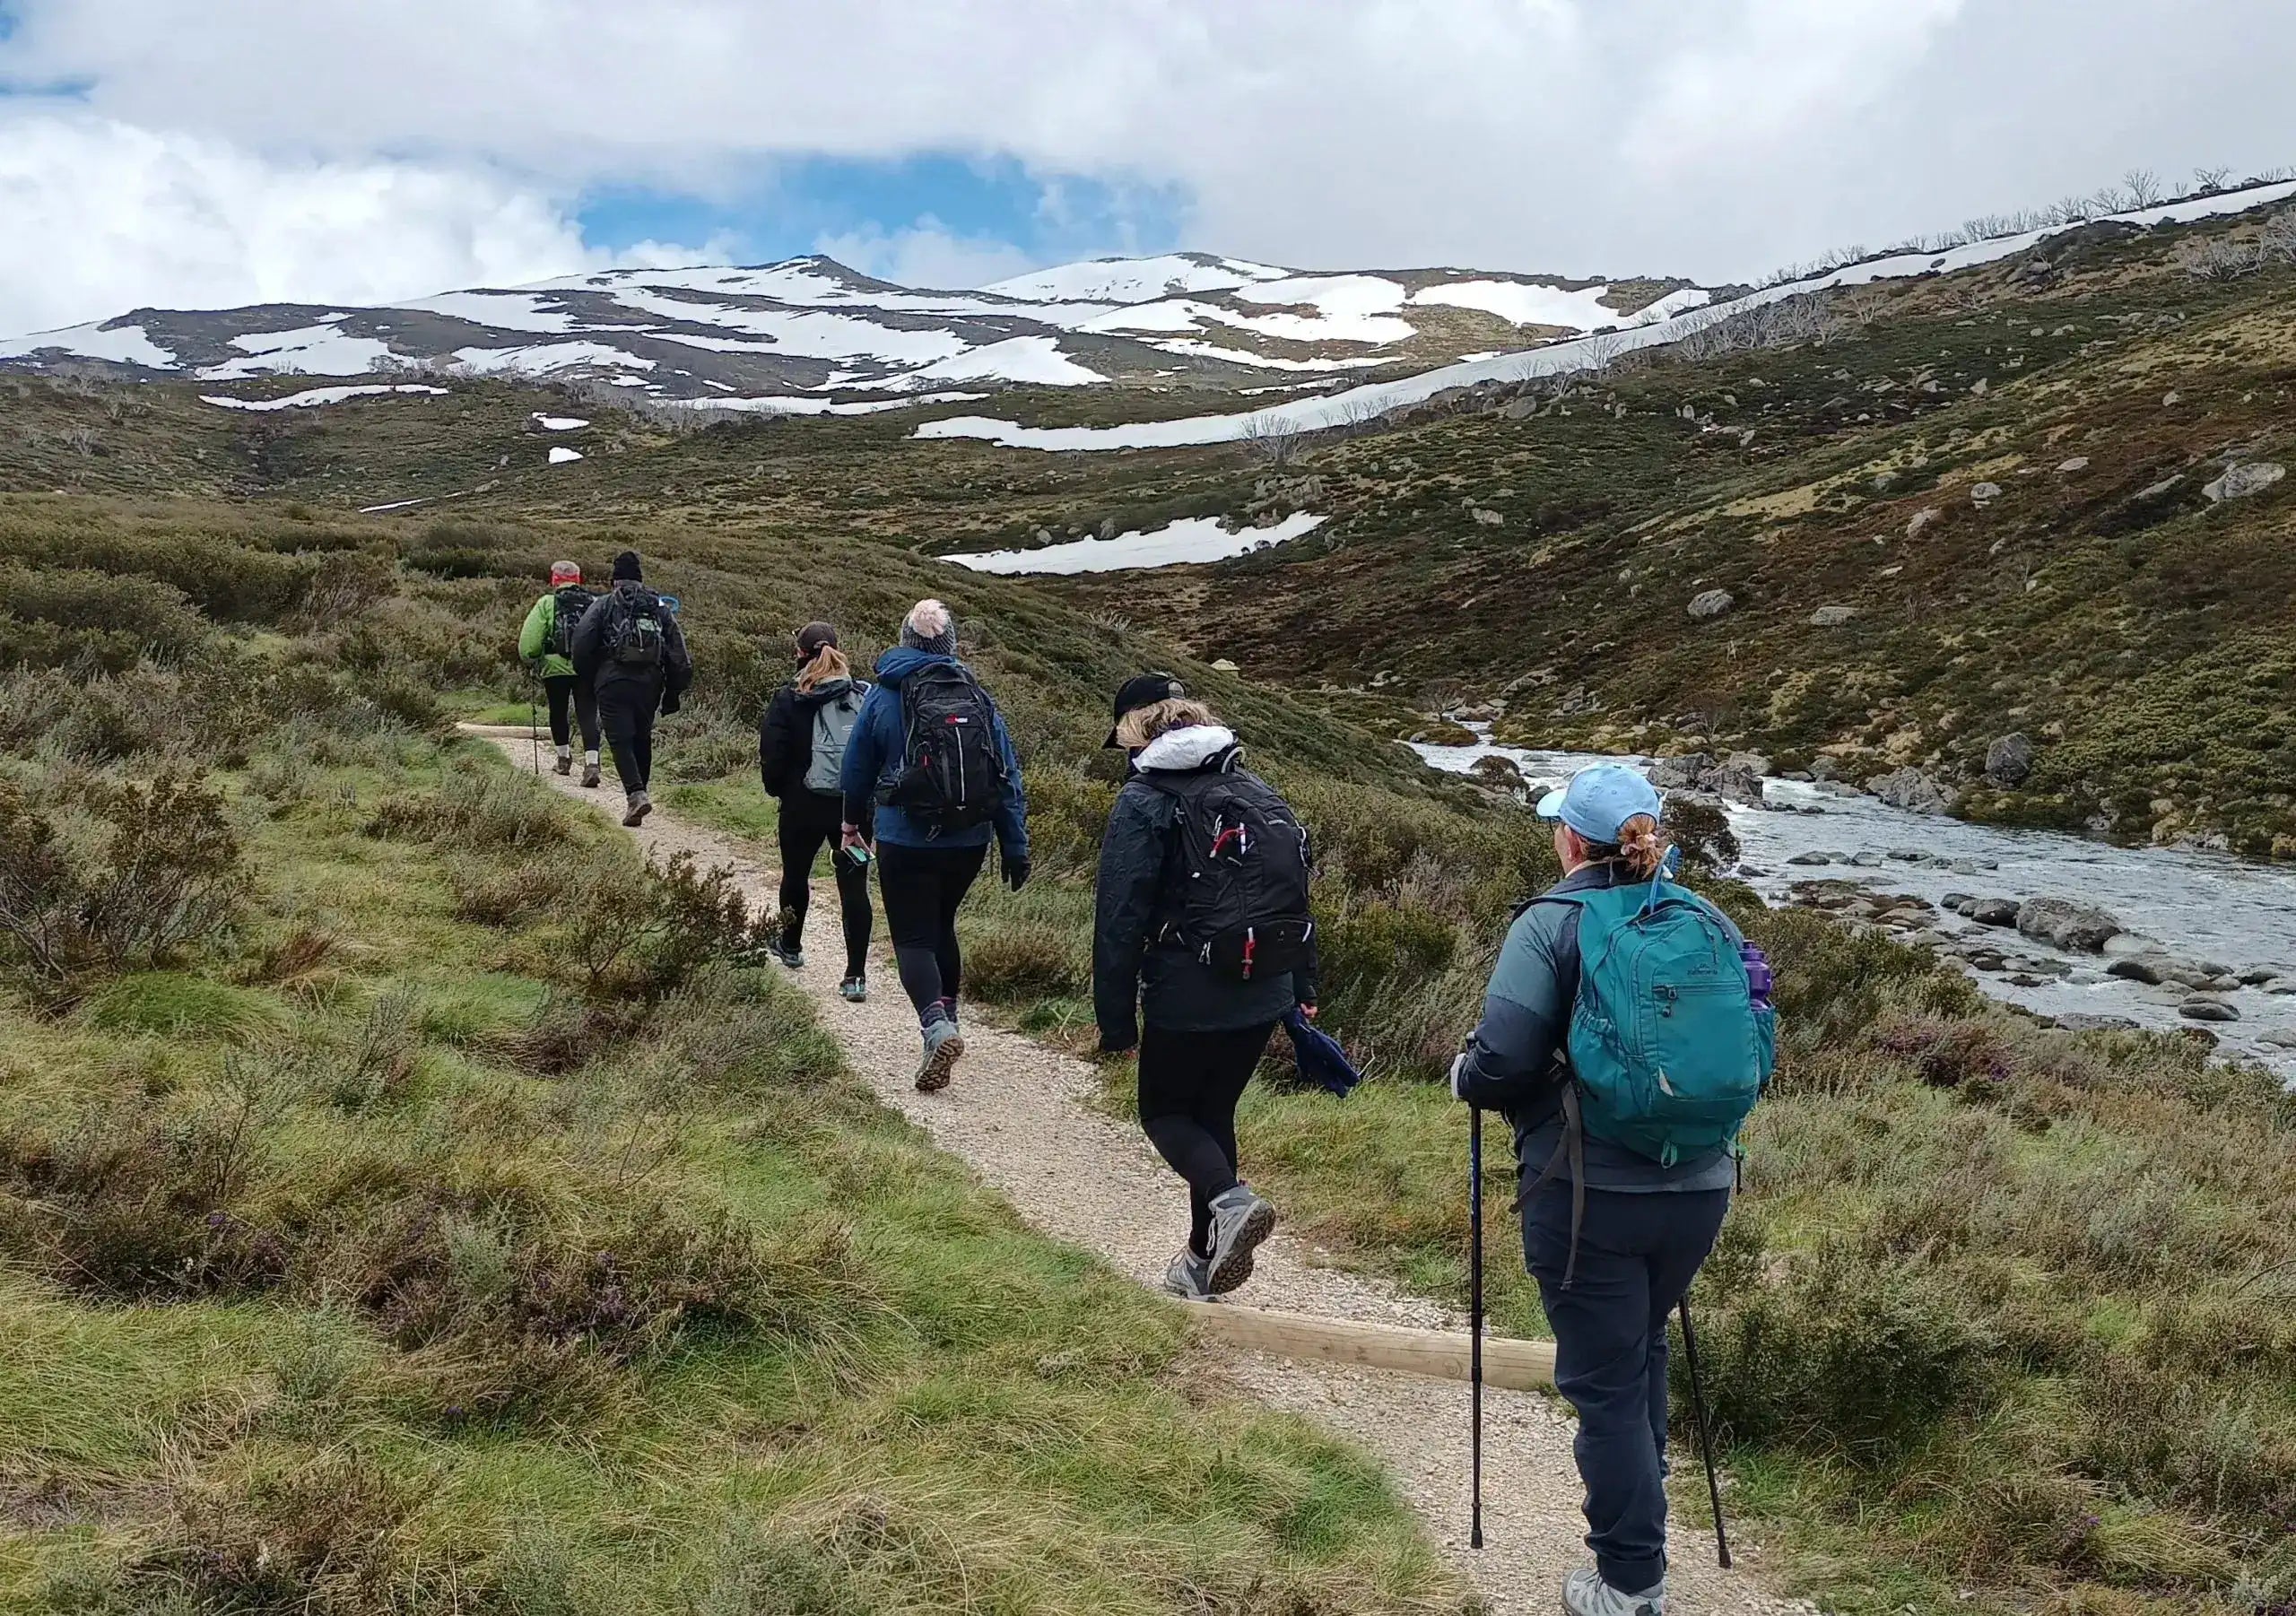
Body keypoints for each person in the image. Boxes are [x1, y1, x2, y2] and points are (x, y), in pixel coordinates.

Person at [1449, 763, 1764, 1616]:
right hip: (1700, 1184)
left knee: (1607, 1382)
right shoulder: (1708, 917)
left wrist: (1463, 1076)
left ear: (1571, 841)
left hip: (1587, 1191)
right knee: (1638, 1349)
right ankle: (1643, 1520)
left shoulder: (1551, 922)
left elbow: (1503, 1062)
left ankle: (1630, 1584)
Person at [1092, 682, 1318, 1301]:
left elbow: (1119, 915)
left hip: (1188, 987)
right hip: (1265, 984)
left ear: (1139, 734)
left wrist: (1115, 1021)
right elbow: (1292, 891)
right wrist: (1304, 983)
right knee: (1213, 1114)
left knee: (1165, 1113)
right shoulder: (1253, 788)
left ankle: (1230, 1200)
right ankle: (1201, 1259)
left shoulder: (1144, 799)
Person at [839, 599, 1028, 1091]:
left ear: (905, 641)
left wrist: (851, 824)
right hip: (968, 840)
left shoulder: (884, 695)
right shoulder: (977, 695)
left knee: (914, 937)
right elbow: (1007, 775)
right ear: (951, 645)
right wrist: (1014, 843)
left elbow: (856, 769)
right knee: (943, 925)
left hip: (905, 836)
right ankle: (953, 1021)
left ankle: (935, 1026)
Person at [758, 621, 873, 1001]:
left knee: (795, 875)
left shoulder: (789, 698)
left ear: (799, 654)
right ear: (839, 650)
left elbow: (772, 756)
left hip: (801, 805)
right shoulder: (864, 696)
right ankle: (855, 976)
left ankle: (790, 947)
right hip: (854, 808)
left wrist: (781, 792)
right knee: (854, 886)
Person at [570, 550, 691, 828]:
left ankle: (636, 795)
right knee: (641, 736)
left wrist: (590, 678)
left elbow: (581, 644)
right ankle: (641, 793)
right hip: (650, 683)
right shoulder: (659, 606)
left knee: (620, 740)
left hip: (612, 681)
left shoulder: (604, 604)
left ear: (616, 580)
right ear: (639, 579)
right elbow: (678, 653)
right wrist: (674, 690)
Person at [516, 560, 602, 786]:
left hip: (554, 667)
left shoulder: (546, 603)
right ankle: (592, 763)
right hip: (587, 667)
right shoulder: (594, 602)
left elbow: (530, 642)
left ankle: (563, 759)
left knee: (558, 710)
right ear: (578, 579)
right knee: (587, 713)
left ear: (554, 580)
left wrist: (531, 657)